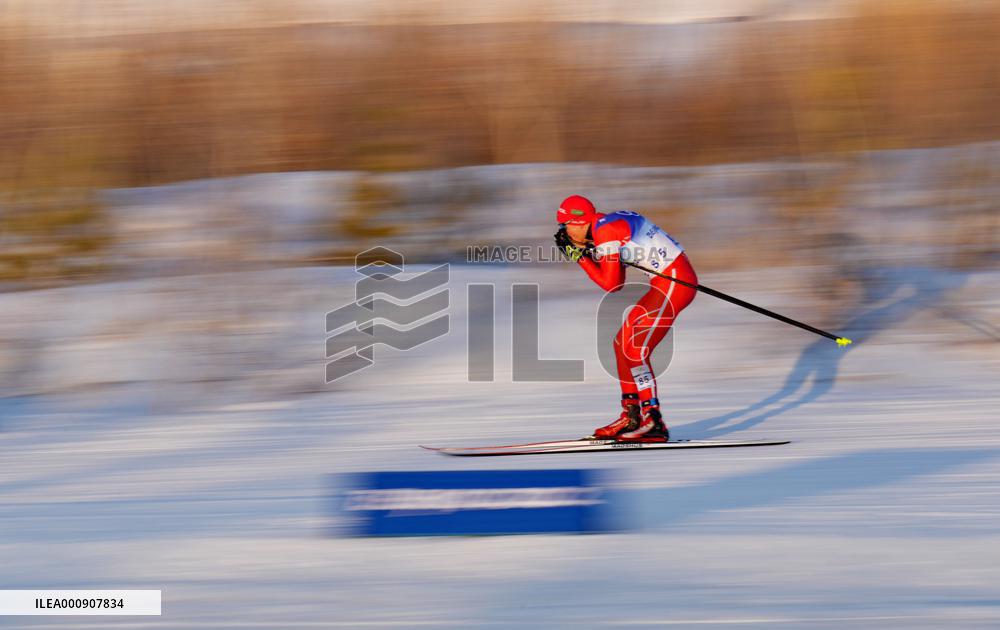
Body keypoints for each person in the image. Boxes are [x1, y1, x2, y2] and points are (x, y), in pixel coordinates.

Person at [554, 194, 698, 441]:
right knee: (621, 344)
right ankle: (631, 417)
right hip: (666, 282)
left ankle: (653, 420)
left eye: (565, 225)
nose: (564, 232)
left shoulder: (605, 231)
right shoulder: (604, 227)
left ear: (579, 222)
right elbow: (618, 283)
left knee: (634, 349)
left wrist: (580, 257)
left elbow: (610, 285)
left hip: (675, 282)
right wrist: (586, 253)